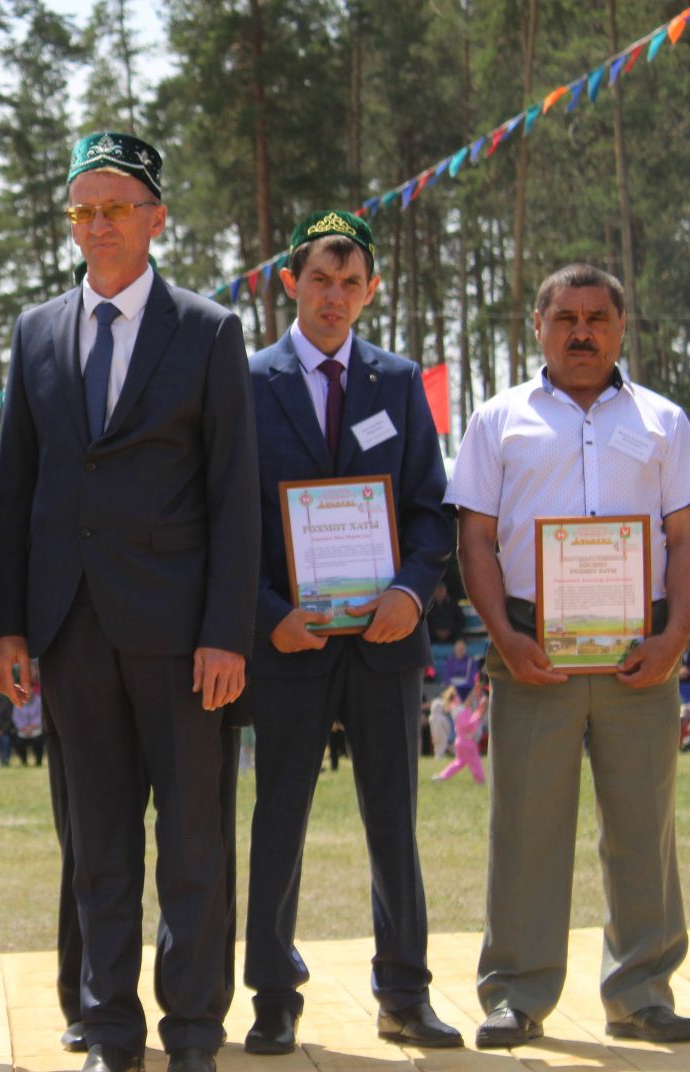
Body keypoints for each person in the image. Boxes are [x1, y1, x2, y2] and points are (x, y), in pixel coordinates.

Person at [0, 131, 258, 1072]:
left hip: (183, 640)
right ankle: (108, 1030)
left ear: (155, 219)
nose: (97, 226)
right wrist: (9, 621)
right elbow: (18, 487)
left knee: (192, 845)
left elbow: (234, 494)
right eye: (82, 211)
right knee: (95, 847)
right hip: (68, 632)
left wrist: (228, 633)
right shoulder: (36, 331)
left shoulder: (210, 329)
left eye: (115, 208)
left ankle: (190, 1033)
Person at [447, 263, 690, 1049]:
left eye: (598, 317)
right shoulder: (497, 419)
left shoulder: (664, 420)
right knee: (525, 824)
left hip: (643, 646)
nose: (583, 331)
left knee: (643, 821)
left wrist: (674, 638)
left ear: (622, 327)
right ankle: (518, 994)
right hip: (530, 645)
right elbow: (476, 540)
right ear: (538, 327)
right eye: (566, 318)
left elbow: (687, 538)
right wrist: (504, 637)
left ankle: (641, 990)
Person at [241, 210, 462, 1053]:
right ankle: (272, 995)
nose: (335, 297)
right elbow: (230, 519)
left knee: (393, 821)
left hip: (382, 641)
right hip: (289, 641)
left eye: (351, 282)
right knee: (279, 818)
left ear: (372, 291)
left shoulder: (398, 382)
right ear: (289, 284)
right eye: (320, 280)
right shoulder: (246, 379)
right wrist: (268, 615)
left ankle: (404, 992)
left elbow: (429, 510)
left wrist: (413, 588)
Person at [434, 693, 487, 785]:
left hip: (461, 741)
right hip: (467, 742)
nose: (471, 700)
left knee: (459, 762)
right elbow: (466, 726)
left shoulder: (459, 711)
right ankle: (480, 780)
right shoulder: (463, 712)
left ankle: (442, 776)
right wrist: (478, 714)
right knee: (475, 761)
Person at [12, 674, 46, 766]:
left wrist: (31, 727)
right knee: (18, 741)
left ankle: (38, 762)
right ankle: (24, 762)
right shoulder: (17, 701)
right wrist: (23, 728)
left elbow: (41, 716)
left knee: (39, 740)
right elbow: (16, 718)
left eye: (28, 689)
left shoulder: (39, 700)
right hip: (23, 730)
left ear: (32, 689)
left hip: (36, 729)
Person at [428, 689, 455, 759]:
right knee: (440, 745)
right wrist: (447, 732)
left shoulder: (431, 717)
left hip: (435, 734)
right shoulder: (441, 717)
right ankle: (439, 756)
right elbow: (447, 727)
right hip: (441, 734)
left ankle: (439, 755)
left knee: (438, 746)